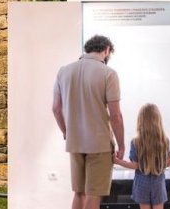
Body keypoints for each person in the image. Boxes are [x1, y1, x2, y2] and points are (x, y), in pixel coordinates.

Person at [52, 35, 125, 209]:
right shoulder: (109, 73)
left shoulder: (64, 71)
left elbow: (56, 108)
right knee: (94, 193)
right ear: (106, 49)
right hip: (99, 144)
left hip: (75, 142)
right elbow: (115, 116)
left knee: (79, 192)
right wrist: (121, 145)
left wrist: (66, 132)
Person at [113, 103, 170, 209]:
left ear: (140, 120)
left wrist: (117, 161)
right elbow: (168, 163)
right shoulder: (164, 140)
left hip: (141, 181)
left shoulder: (136, 141)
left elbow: (135, 165)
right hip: (158, 181)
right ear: (158, 119)